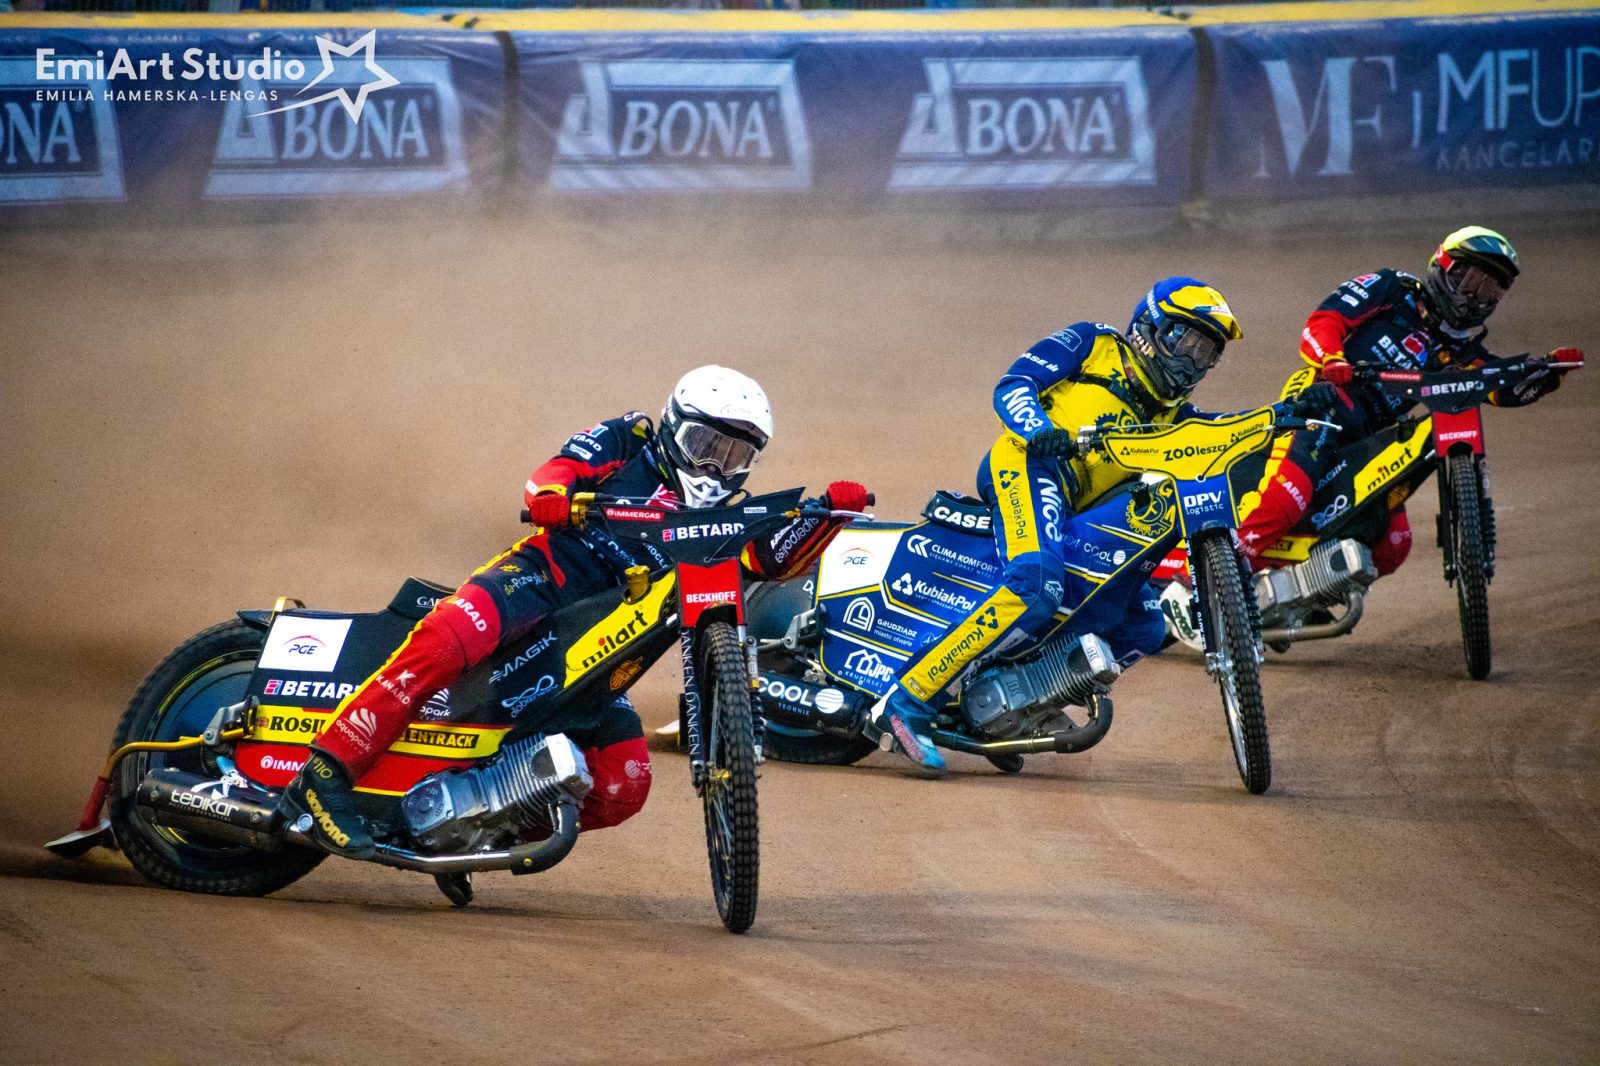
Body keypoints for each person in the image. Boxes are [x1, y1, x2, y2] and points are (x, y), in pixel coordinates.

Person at [279, 366, 870, 856]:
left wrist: (829, 517)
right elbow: (554, 473)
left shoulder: (725, 516)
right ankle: (325, 773)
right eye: (704, 446)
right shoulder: (627, 439)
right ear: (673, 426)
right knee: (444, 641)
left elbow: (768, 559)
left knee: (625, 782)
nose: (716, 467)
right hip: (539, 582)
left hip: (604, 649)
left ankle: (475, 827)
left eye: (735, 456)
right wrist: (553, 496)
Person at [866, 277, 1246, 778]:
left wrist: (1293, 412)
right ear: (1150, 329)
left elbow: (1226, 432)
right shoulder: (1093, 342)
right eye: (1187, 342)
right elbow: (1014, 385)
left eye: (1206, 353)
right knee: (1036, 585)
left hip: (1077, 510)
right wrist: (1039, 430)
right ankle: (905, 701)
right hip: (1031, 465)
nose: (1193, 362)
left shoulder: (1177, 416)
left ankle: (1018, 703)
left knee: (1145, 626)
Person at [1235, 226, 1584, 574]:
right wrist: (1332, 359)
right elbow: (1324, 321)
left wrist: (1548, 373)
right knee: (1291, 492)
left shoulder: (1462, 351)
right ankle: (1222, 568)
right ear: (1442, 267)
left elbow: (1499, 388)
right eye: (1468, 280)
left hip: (1375, 436)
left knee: (1393, 543)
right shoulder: (1392, 287)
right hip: (1323, 398)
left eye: (1488, 290)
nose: (1474, 297)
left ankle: (1308, 591)